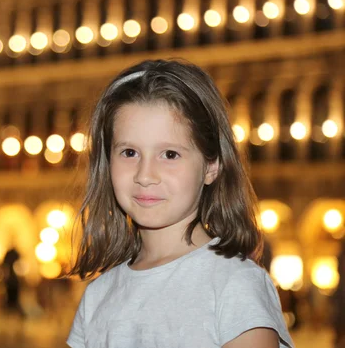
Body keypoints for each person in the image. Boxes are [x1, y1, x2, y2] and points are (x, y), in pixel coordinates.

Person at [66, 59, 294, 348]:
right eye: (129, 152)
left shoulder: (233, 286)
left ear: (211, 166)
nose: (145, 175)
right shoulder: (98, 296)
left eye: (170, 154)